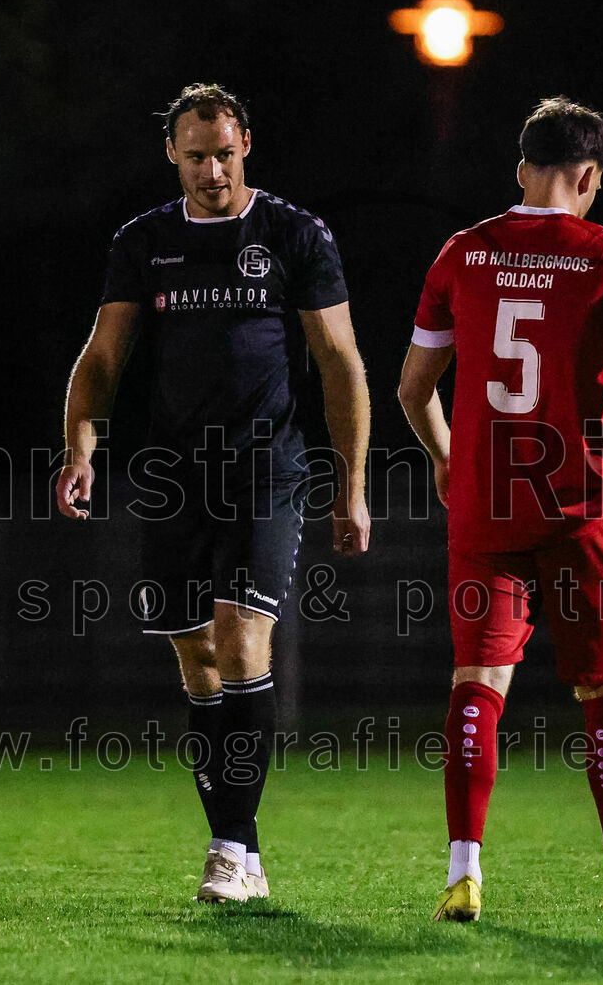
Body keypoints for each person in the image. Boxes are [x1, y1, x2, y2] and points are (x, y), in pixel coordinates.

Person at [56, 83, 371, 904]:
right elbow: (102, 357)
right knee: (196, 658)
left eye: (223, 153)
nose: (211, 170)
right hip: (171, 476)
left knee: (240, 638)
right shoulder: (144, 241)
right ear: (173, 155)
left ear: (247, 145)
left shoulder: (294, 235)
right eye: (195, 156)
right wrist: (80, 445)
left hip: (267, 467)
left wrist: (352, 482)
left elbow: (339, 361)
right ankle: (245, 846)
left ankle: (226, 846)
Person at [398, 97, 603, 921]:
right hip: (579, 504)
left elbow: (414, 390)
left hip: (488, 509)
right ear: (590, 176)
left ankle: (463, 871)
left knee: (477, 682)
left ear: (523, 170)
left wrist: (450, 458)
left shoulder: (463, 252)